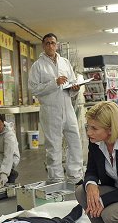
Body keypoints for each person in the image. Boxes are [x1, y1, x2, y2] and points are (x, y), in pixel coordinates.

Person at [29, 33, 83, 183]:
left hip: (67, 107)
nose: (50, 46)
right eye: (47, 43)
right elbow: (34, 89)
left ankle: (75, 174)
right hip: (50, 110)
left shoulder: (65, 62)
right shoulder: (38, 66)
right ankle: (56, 177)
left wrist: (75, 88)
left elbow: (71, 86)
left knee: (74, 140)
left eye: (53, 43)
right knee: (54, 145)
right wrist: (54, 82)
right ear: (43, 46)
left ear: (57, 45)